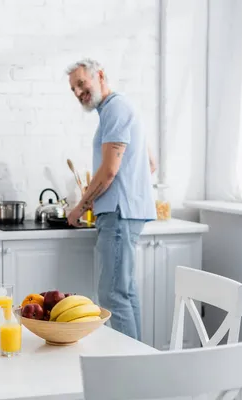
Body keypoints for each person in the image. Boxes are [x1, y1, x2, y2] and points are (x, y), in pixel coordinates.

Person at [65, 58, 156, 341]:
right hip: (128, 211)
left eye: (82, 83)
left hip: (118, 214)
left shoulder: (115, 108)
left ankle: (131, 371)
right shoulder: (119, 109)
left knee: (111, 294)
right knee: (125, 291)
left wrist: (78, 209)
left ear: (100, 75)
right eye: (74, 89)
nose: (79, 92)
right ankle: (140, 365)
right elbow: (151, 163)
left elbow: (108, 171)